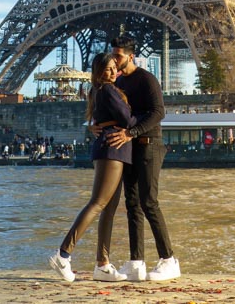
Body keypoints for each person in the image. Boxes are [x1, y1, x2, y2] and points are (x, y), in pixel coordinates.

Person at [48, 53, 135, 283]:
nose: (111, 72)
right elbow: (126, 118)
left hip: (112, 149)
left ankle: (103, 264)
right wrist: (146, 119)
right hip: (112, 149)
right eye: (106, 69)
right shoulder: (107, 89)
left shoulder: (97, 91)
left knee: (108, 208)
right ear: (97, 72)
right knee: (98, 203)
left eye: (113, 68)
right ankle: (63, 254)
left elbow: (104, 117)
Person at [106, 35, 180, 283]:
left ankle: (169, 260)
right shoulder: (118, 82)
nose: (114, 60)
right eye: (113, 55)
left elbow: (159, 112)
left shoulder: (146, 79)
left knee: (149, 202)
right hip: (131, 147)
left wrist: (131, 132)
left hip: (149, 145)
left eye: (118, 56)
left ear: (131, 56)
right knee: (132, 204)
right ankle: (136, 262)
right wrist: (98, 126)